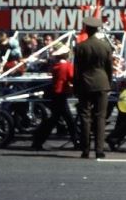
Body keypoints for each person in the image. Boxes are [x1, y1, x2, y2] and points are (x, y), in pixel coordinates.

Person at [73, 17, 113, 159]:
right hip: (102, 83)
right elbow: (109, 68)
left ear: (86, 29)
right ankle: (99, 149)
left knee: (85, 116)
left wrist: (76, 86)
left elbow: (76, 69)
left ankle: (85, 149)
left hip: (84, 83)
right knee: (100, 117)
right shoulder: (105, 46)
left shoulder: (80, 47)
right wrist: (109, 83)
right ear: (97, 29)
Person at [31, 44, 79, 151]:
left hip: (56, 94)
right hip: (61, 94)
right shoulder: (67, 66)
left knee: (55, 120)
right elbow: (72, 78)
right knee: (68, 121)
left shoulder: (56, 66)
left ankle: (38, 140)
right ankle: (76, 141)